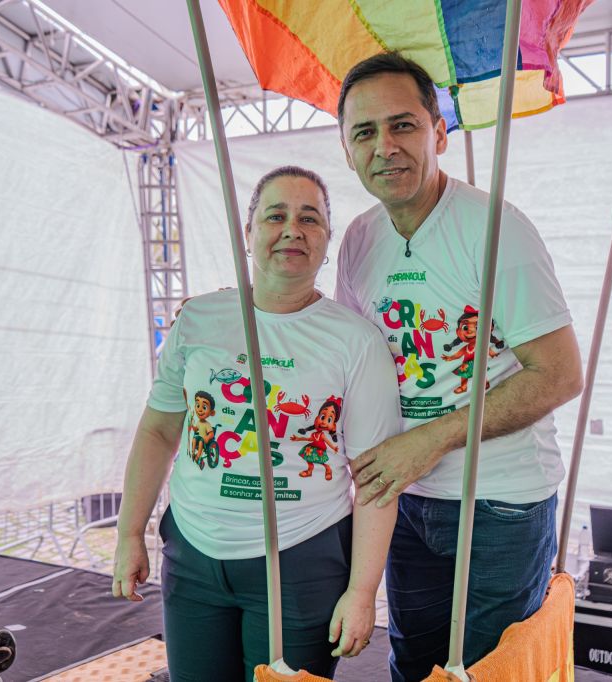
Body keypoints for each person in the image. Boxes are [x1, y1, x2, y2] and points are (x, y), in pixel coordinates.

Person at [332, 53, 583, 677]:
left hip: (500, 502)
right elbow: (347, 357)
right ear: (347, 150)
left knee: (484, 671)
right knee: (413, 660)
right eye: (364, 132)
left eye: (403, 125)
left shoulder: (495, 228)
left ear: (439, 132)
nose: (384, 147)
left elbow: (559, 373)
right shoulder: (359, 239)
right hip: (405, 499)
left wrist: (432, 438)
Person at [111, 166, 402, 681]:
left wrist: (361, 593)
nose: (293, 229)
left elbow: (375, 479)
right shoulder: (198, 319)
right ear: (248, 235)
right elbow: (158, 429)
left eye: (310, 219)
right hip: (194, 556)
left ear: (327, 242)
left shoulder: (356, 342)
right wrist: (130, 532)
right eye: (276, 215)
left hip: (301, 561)